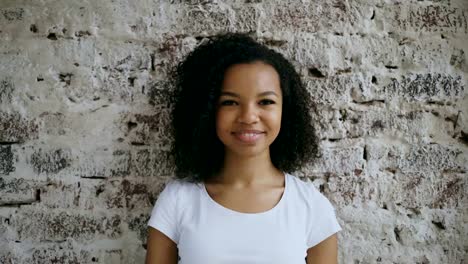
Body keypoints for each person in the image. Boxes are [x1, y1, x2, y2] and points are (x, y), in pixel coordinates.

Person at [145, 32, 342, 264]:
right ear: (207, 112)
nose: (248, 117)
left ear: (285, 111)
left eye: (265, 102)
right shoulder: (178, 200)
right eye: (230, 102)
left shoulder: (311, 207)